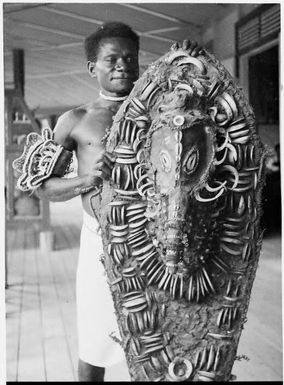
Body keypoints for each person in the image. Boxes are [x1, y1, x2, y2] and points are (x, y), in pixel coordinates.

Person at [32, 22, 203, 381]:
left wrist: (190, 60)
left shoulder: (161, 113)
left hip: (156, 246)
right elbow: (41, 187)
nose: (122, 65)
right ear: (92, 68)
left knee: (158, 341)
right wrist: (88, 179)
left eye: (130, 57)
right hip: (100, 243)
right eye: (111, 59)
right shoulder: (75, 120)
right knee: (94, 342)